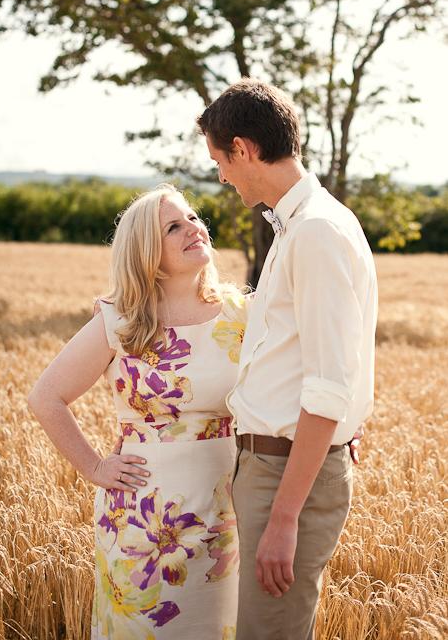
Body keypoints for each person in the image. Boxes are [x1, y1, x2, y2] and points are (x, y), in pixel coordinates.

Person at [26, 184, 246, 639]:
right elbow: (45, 398)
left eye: (192, 217)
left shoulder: (245, 311)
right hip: (143, 520)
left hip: (229, 511)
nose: (193, 228)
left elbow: (302, 379)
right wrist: (94, 466)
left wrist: (345, 424)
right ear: (147, 251)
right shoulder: (120, 321)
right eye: (173, 226)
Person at [198, 79, 376, 639]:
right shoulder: (301, 225)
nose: (222, 176)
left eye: (220, 161)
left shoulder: (316, 232)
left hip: (286, 476)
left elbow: (328, 384)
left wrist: (284, 515)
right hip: (277, 468)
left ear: (244, 150)